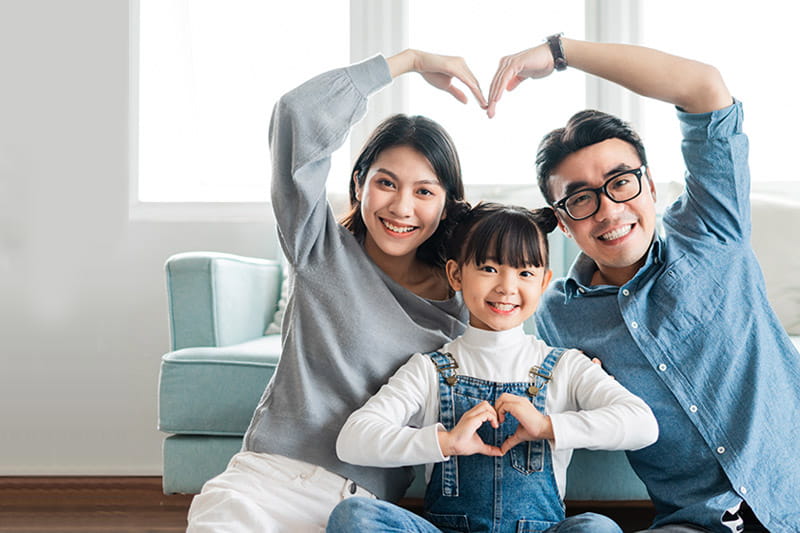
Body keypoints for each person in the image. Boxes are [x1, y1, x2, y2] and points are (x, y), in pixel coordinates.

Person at [486, 35, 800, 531]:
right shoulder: (553, 318)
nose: (609, 210)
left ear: (650, 185)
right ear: (564, 223)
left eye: (621, 182)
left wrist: (560, 52)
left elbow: (704, 88)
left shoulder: (710, 228)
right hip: (696, 522)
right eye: (582, 199)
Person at [186, 50, 489, 532]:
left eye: (424, 191)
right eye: (386, 183)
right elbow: (296, 114)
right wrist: (408, 61)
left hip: (362, 509)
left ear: (448, 205)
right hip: (264, 481)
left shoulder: (461, 308)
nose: (402, 206)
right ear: (358, 184)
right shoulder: (319, 247)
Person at [327, 202, 659, 533]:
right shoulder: (428, 370)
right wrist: (447, 442)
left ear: (543, 282)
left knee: (598, 529)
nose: (506, 287)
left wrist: (546, 426)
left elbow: (643, 425)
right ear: (456, 274)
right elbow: (353, 439)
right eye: (489, 268)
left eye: (525, 273)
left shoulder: (566, 366)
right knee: (354, 516)